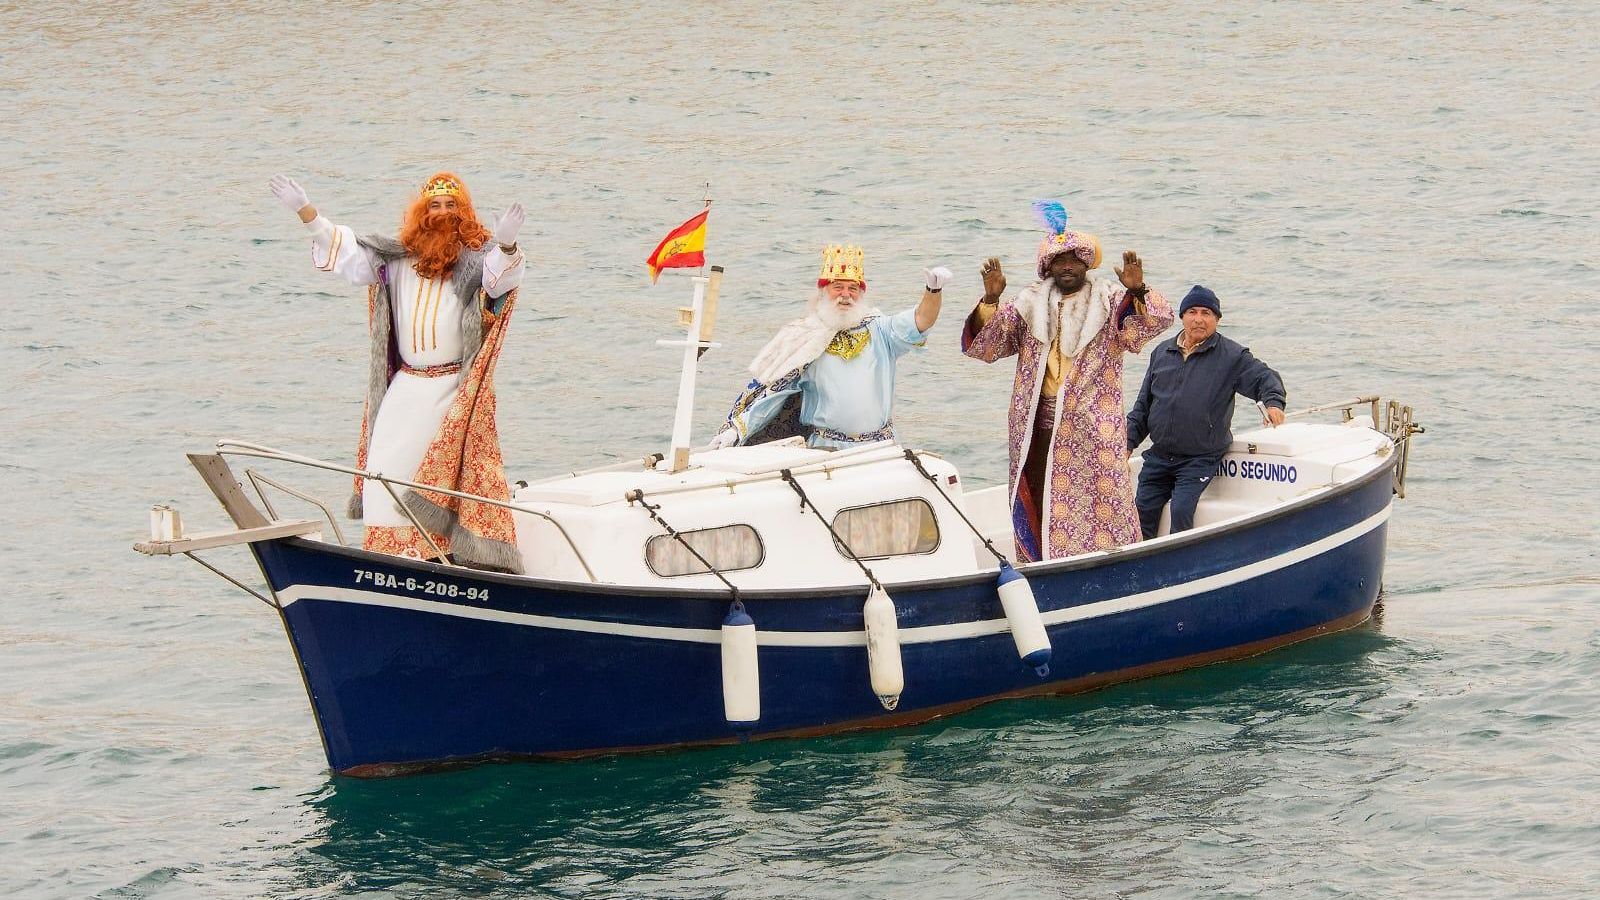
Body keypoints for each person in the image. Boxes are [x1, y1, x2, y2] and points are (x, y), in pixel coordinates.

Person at [268, 172, 526, 572]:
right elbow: (348, 256)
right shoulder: (396, 257)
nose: (442, 213)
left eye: (451, 206)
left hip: (450, 390)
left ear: (464, 213)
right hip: (405, 386)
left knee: (435, 480)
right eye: (435, 206)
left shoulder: (475, 262)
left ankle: (437, 558)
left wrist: (507, 244)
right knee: (383, 474)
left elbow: (499, 280)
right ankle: (390, 560)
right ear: (421, 213)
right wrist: (307, 212)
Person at [962, 207, 1174, 562]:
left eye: (1075, 259)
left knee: (1103, 503)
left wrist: (1139, 290)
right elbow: (984, 346)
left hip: (1093, 429)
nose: (1067, 266)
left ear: (1086, 264)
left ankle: (1113, 566)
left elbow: (1154, 323)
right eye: (1059, 260)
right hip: (1035, 426)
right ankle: (1041, 567)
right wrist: (990, 301)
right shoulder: (1027, 304)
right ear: (1048, 267)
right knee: (1039, 497)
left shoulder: (1109, 302)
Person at [712, 245, 949, 449]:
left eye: (852, 289)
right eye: (838, 287)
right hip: (825, 451)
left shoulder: (881, 330)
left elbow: (920, 321)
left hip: (880, 447)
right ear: (824, 291)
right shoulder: (804, 338)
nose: (845, 295)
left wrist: (933, 291)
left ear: (861, 294)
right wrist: (736, 431)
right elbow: (772, 395)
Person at [1126, 284, 1287, 539]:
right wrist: (1127, 442)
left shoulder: (1231, 356)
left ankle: (1182, 570)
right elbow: (1143, 408)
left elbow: (1264, 377)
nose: (1199, 319)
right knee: (1140, 513)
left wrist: (1273, 402)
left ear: (1217, 320)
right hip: (1159, 456)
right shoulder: (1162, 353)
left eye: (1206, 313)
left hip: (1199, 458)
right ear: (1182, 317)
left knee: (1181, 511)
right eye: (1192, 312)